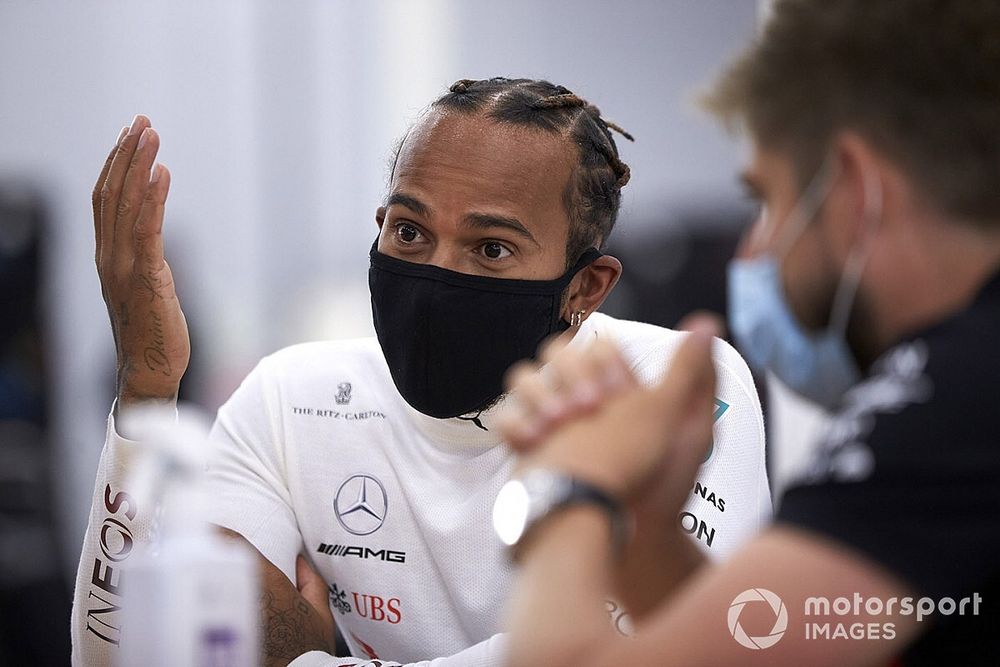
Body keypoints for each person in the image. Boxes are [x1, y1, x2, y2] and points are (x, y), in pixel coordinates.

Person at [70, 78, 771, 666]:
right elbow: (130, 651)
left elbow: (660, 645)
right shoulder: (292, 400)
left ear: (586, 287)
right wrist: (146, 391)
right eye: (409, 231)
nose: (436, 271)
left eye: (490, 248)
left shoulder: (670, 386)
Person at [496, 1, 1000, 665]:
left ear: (852, 186)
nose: (752, 250)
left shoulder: (962, 394)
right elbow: (764, 645)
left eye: (765, 199)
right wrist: (647, 524)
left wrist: (568, 482)